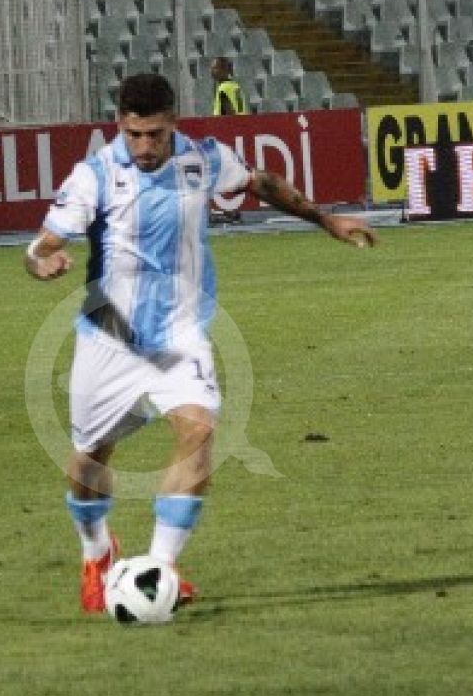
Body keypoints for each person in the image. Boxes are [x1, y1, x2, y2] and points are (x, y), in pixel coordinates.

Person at [23, 72, 376, 614]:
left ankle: (159, 570)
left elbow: (260, 183)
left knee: (200, 431)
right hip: (109, 337)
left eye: (155, 135)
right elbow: (42, 245)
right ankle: (96, 554)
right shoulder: (94, 176)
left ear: (172, 123)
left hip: (181, 332)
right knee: (90, 460)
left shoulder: (203, 159)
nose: (144, 147)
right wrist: (40, 260)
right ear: (119, 125)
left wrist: (324, 219)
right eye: (134, 135)